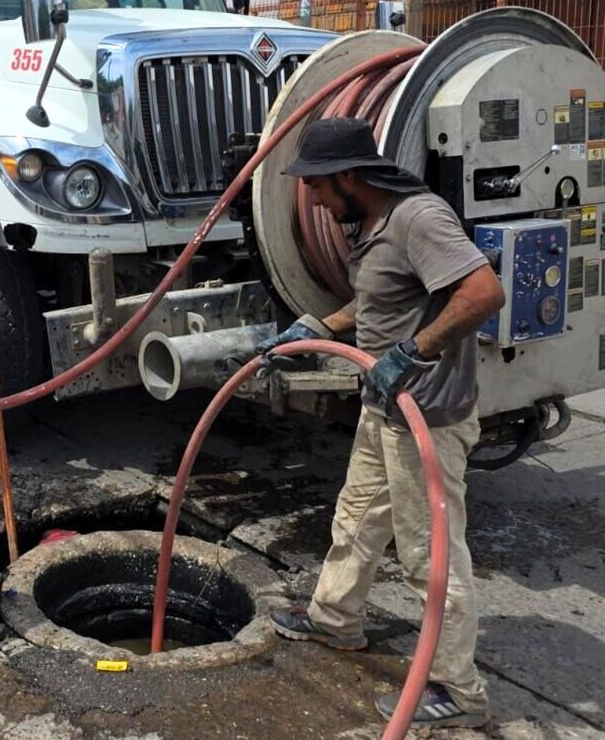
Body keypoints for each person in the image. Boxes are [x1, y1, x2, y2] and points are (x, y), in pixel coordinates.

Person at [258, 118, 505, 730]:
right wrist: (325, 325)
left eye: (315, 186)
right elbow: (382, 298)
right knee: (357, 518)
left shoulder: (419, 219)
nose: (310, 199)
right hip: (385, 409)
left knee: (431, 556)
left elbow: (482, 294)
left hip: (429, 418)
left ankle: (458, 691)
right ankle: (335, 619)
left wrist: (415, 350)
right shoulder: (371, 222)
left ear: (348, 177)